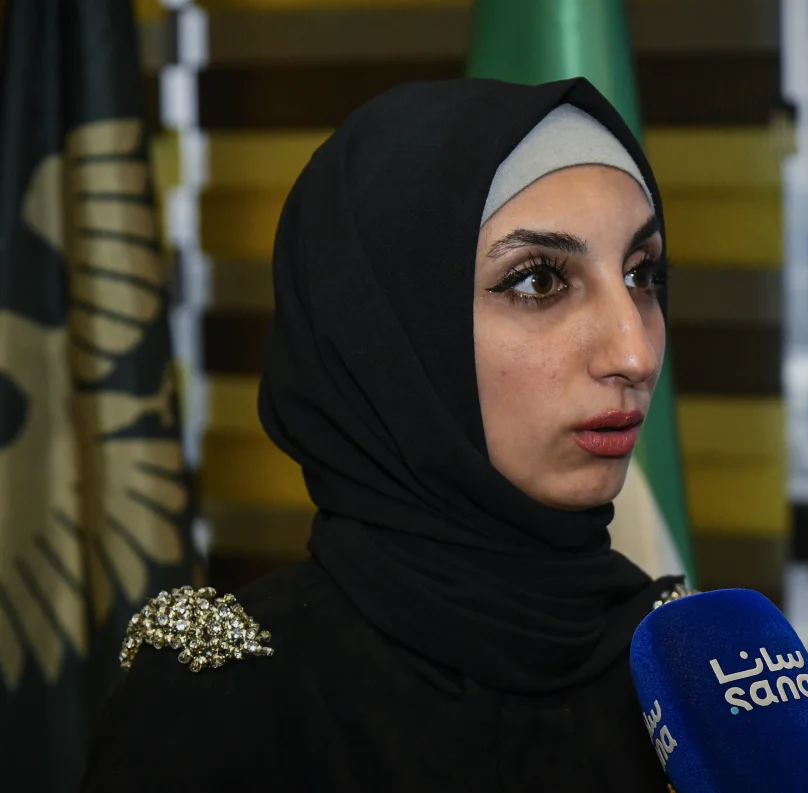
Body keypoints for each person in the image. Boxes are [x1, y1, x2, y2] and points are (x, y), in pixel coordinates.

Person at [79, 77, 689, 792]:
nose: (634, 353)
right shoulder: (222, 704)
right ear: (389, 338)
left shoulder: (690, 677)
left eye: (642, 275)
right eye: (537, 282)